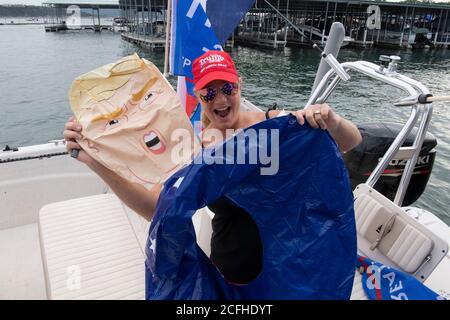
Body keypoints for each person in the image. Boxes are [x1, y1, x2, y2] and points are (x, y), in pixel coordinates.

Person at [63, 50, 362, 285]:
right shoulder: (194, 149)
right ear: (197, 95)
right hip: (237, 267)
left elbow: (350, 142)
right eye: (208, 92)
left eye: (227, 88)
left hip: (294, 257)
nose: (220, 99)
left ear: (239, 85)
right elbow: (158, 207)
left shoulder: (276, 124)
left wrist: (331, 120)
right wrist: (94, 162)